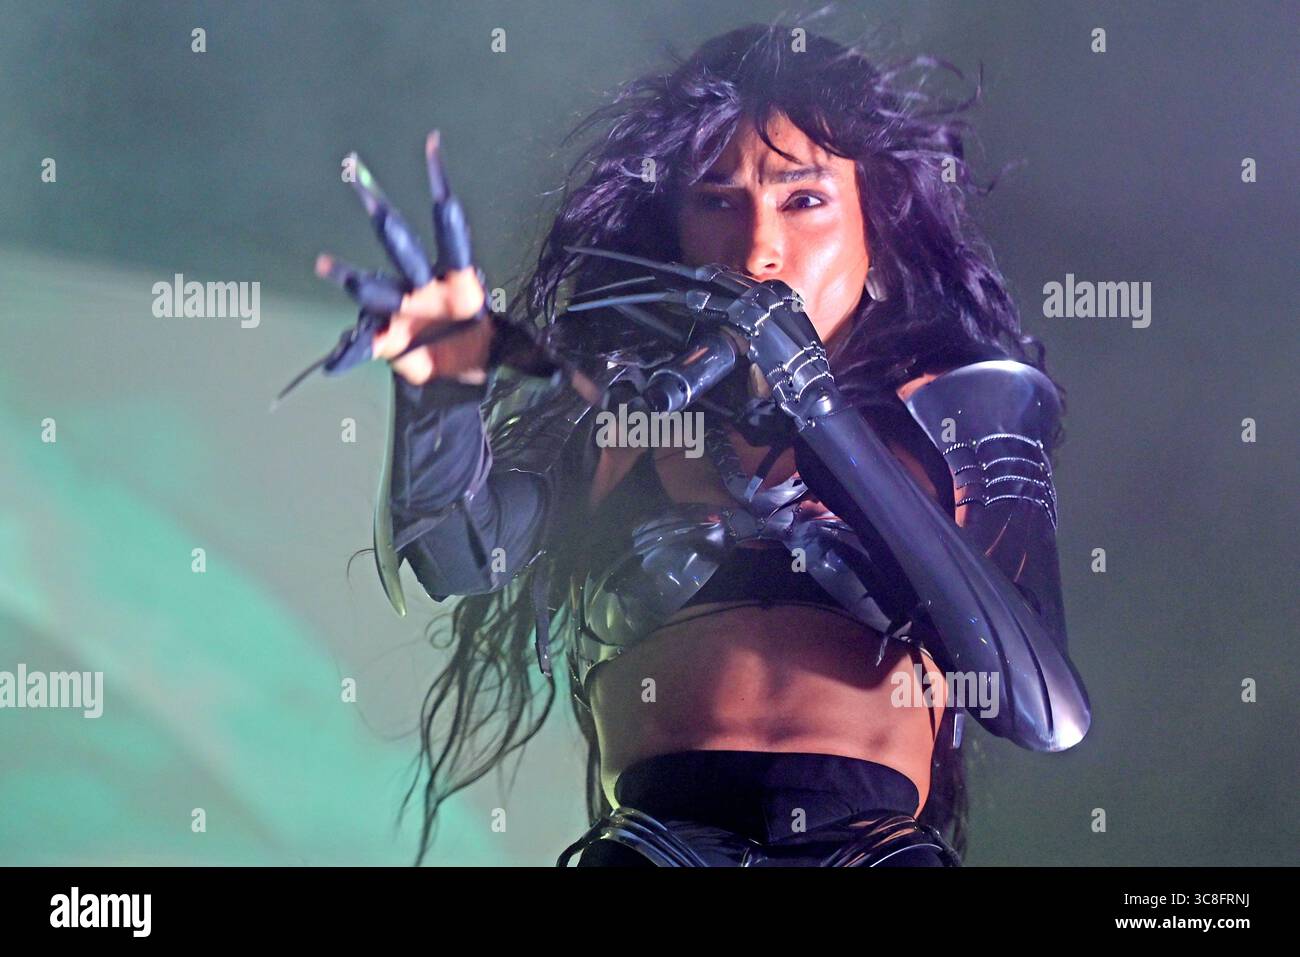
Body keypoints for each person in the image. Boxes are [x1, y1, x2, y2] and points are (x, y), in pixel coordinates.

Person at [317, 23, 1090, 866]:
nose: (759, 248)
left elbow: (1045, 710)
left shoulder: (961, 414)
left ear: (879, 234)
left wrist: (815, 404)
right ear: (675, 229)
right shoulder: (615, 406)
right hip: (653, 845)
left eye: (804, 199)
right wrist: (440, 392)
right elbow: (457, 557)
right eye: (717, 201)